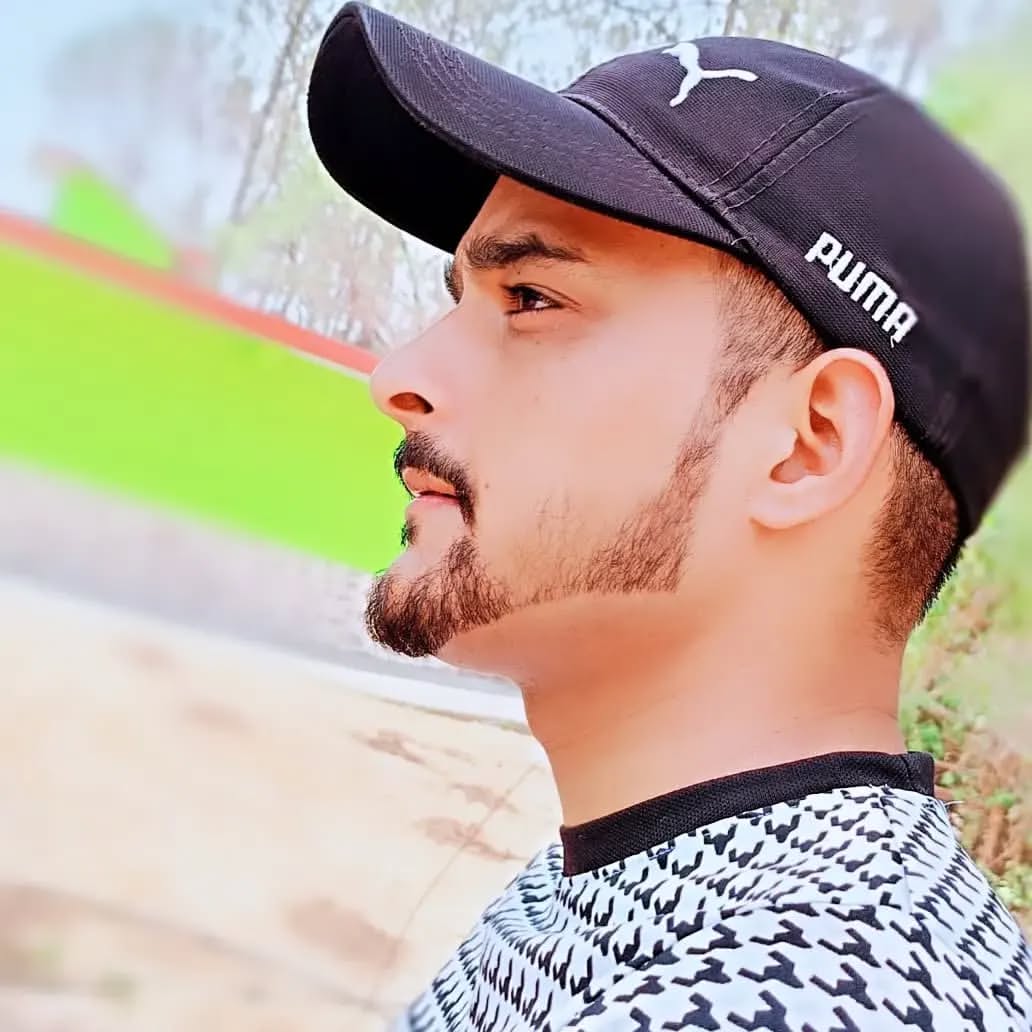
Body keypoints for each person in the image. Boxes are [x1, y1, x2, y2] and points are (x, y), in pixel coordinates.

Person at [308, 4, 1032, 1029]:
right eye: (461, 296)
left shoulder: (799, 999)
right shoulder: (653, 876)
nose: (400, 377)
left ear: (810, 442)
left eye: (532, 299)